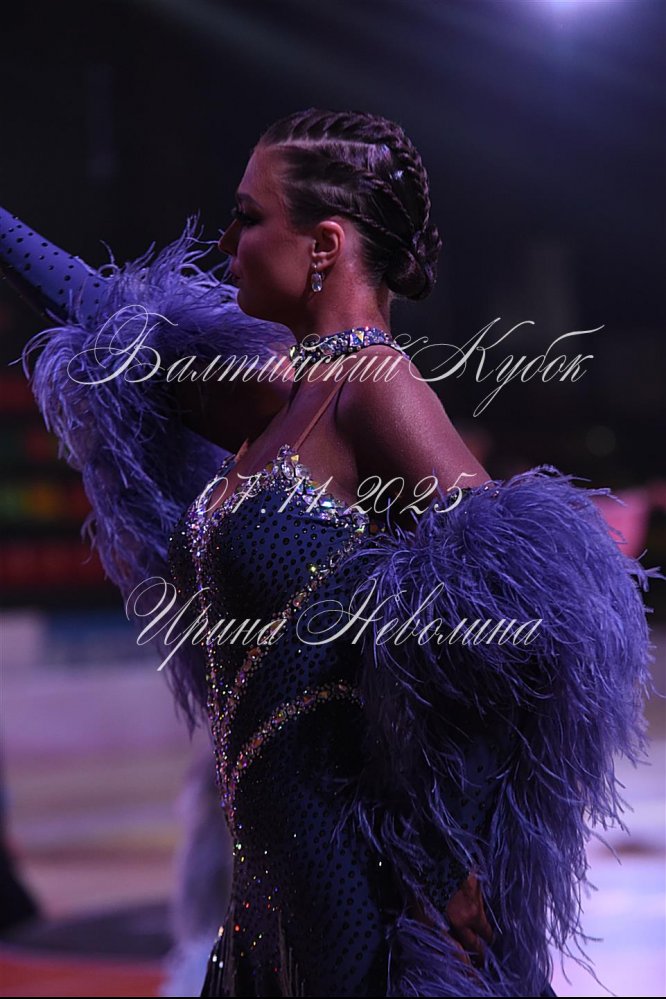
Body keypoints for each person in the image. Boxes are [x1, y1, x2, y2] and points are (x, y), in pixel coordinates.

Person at [2, 107, 657, 997]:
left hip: (356, 904)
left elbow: (523, 615)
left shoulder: (376, 389)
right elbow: (107, 319)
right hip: (263, 898)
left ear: (325, 244)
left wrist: (453, 853)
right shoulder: (283, 398)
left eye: (248, 216)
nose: (226, 240)